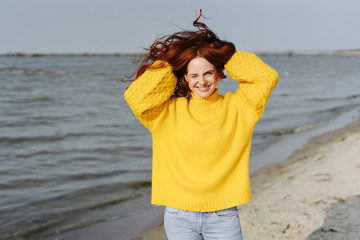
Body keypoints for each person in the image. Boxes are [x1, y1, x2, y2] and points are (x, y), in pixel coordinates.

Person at [124, 10, 279, 240]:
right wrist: (172, 61)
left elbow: (266, 77)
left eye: (208, 73)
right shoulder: (166, 112)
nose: (202, 81)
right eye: (193, 75)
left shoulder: (241, 107)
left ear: (219, 73)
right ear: (184, 77)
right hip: (178, 216)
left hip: (223, 216)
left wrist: (220, 53)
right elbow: (136, 96)